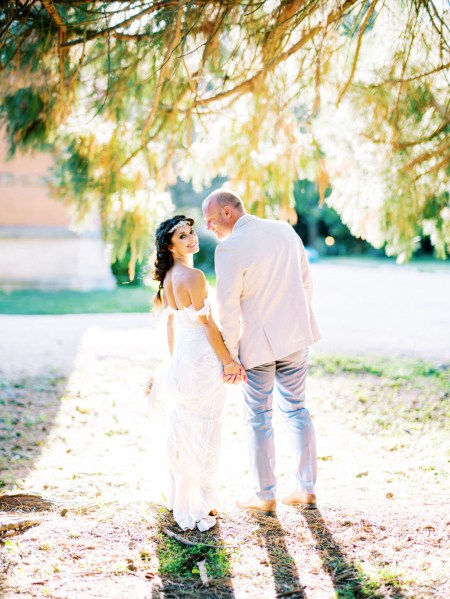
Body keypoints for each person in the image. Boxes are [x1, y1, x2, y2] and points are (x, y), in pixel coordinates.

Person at [202, 190, 321, 515]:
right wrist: (298, 320)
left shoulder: (229, 249)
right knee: (297, 410)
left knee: (259, 418)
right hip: (296, 337)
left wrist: (231, 356)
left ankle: (265, 494)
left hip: (256, 347)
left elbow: (227, 307)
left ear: (227, 212)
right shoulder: (284, 230)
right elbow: (306, 282)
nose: (208, 226)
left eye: (210, 219)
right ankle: (306, 489)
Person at [151, 214, 245, 531]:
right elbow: (208, 326)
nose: (192, 238)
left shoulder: (168, 278)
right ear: (169, 244)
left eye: (191, 232)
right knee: (204, 430)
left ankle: (187, 495)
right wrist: (229, 362)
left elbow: (171, 323)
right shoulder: (194, 276)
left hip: (184, 359)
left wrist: (174, 361)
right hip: (202, 360)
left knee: (185, 429)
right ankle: (197, 501)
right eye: (182, 236)